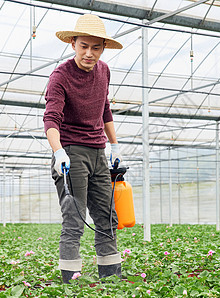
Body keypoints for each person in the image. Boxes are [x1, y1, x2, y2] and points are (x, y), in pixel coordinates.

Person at [43, 14, 123, 283]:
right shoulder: (60, 76)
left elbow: (105, 109)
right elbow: (51, 118)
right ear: (73, 43)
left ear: (103, 47)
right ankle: (70, 281)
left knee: (107, 217)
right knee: (75, 218)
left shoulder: (104, 71)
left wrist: (114, 144)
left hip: (99, 152)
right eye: (84, 46)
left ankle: (111, 277)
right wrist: (58, 151)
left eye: (96, 47)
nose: (90, 54)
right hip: (71, 152)